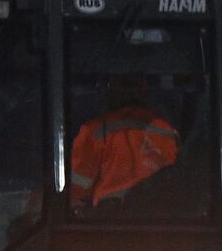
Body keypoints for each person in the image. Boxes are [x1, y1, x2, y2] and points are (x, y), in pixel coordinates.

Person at [69, 74, 180, 206]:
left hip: (108, 219)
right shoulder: (168, 131)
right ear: (144, 89)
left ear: (110, 88)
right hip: (162, 217)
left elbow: (76, 190)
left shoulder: (94, 131)